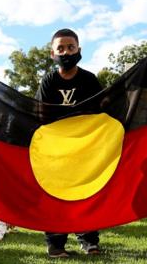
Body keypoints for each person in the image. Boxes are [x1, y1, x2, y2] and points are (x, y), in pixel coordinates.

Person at [35, 28, 102, 258]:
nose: (66, 52)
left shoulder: (90, 80)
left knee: (87, 194)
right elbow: (41, 116)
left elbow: (101, 114)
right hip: (56, 152)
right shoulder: (48, 81)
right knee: (55, 197)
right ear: (52, 53)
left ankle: (89, 240)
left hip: (84, 150)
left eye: (70, 47)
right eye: (60, 48)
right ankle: (55, 244)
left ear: (79, 50)